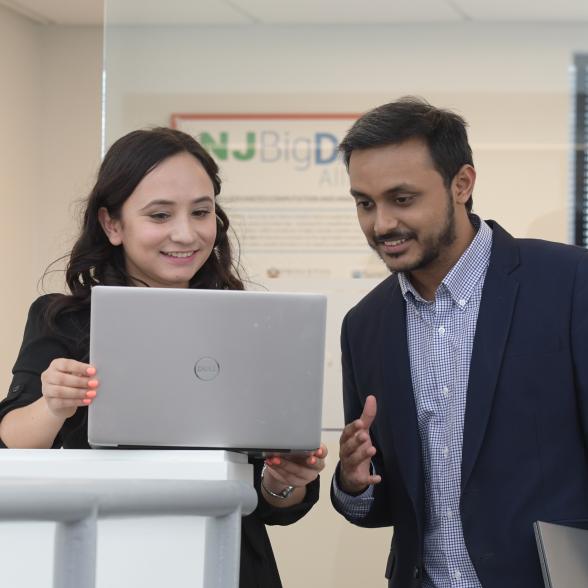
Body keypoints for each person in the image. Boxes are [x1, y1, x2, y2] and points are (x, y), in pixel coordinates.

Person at [0, 127, 326, 588]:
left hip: (228, 561)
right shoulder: (63, 319)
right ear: (112, 224)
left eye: (201, 212)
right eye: (159, 215)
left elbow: (274, 503)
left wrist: (282, 480)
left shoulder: (249, 324)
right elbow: (10, 445)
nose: (185, 233)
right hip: (106, 560)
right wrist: (53, 404)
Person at [330, 97, 588, 588]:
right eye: (365, 203)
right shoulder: (364, 324)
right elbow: (377, 506)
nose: (381, 224)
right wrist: (352, 482)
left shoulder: (571, 283)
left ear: (461, 184)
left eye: (402, 199)